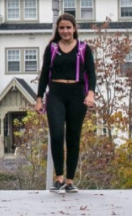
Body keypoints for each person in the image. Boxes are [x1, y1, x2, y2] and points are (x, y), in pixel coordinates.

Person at [34, 13, 96, 194]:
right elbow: (44, 74)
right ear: (58, 29)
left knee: (73, 137)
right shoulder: (52, 48)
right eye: (62, 28)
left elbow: (91, 73)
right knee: (57, 134)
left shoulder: (84, 48)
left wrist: (90, 94)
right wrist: (39, 98)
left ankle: (70, 181)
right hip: (56, 94)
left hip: (77, 94)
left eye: (68, 27)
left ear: (74, 28)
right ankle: (59, 178)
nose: (65, 31)